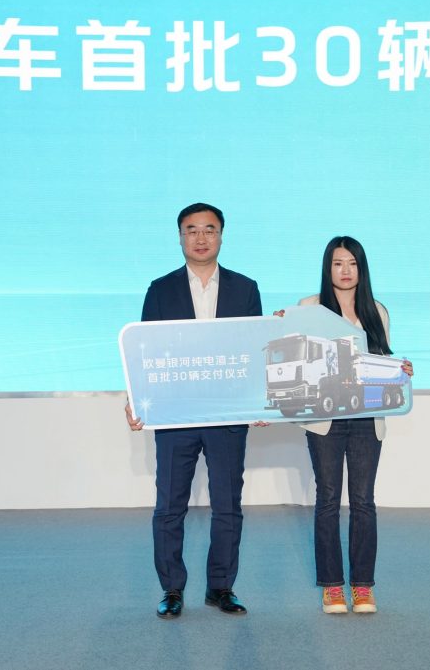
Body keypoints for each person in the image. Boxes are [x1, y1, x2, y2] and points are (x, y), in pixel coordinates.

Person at [124, 202, 262, 620]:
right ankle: (171, 588)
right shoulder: (160, 290)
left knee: (228, 505)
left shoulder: (245, 288)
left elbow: (254, 352)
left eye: (209, 229)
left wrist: (261, 399)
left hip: (227, 416)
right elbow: (144, 353)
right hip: (175, 416)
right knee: (169, 506)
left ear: (221, 235)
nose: (201, 238)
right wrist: (135, 398)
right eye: (192, 230)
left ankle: (221, 587)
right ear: (180, 236)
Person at [280, 235, 412, 614]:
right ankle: (333, 586)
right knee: (327, 499)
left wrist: (401, 369)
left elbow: (381, 362)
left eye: (352, 263)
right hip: (325, 420)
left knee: (363, 501)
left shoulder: (376, 311)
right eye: (338, 263)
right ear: (328, 268)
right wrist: (279, 326)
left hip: (366, 418)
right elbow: (291, 353)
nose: (345, 270)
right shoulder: (309, 308)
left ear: (361, 268)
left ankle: (363, 585)